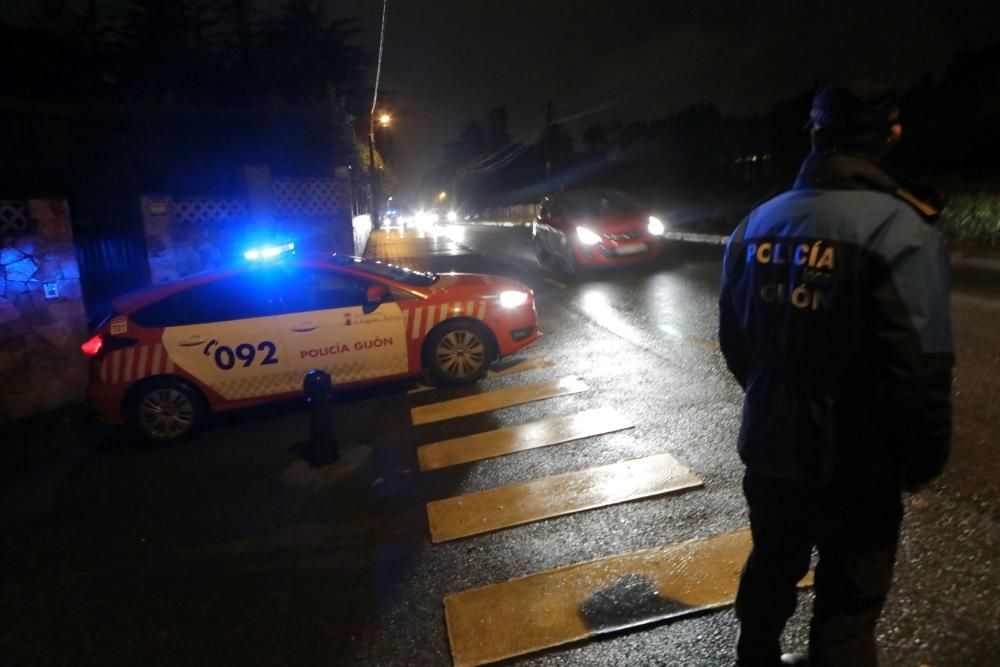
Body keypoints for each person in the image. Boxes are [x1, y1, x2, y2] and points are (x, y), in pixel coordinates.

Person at [718, 80, 954, 667]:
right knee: (847, 604)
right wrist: (922, 460)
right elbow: (919, 368)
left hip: (772, 446)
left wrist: (776, 401)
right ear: (891, 135)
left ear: (816, 135)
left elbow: (736, 344)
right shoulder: (900, 231)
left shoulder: (755, 225)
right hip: (860, 463)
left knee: (772, 564)